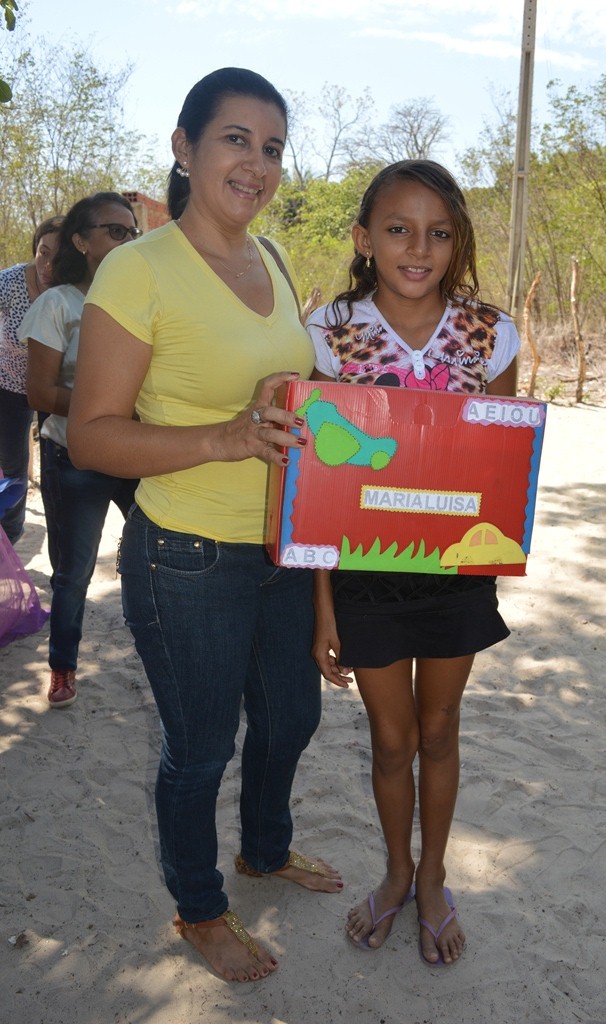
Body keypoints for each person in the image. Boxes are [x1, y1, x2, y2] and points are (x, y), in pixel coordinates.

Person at [67, 68, 343, 985]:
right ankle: (198, 907)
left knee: (291, 718)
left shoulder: (269, 259)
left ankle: (264, 849)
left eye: (271, 147)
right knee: (200, 747)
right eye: (234, 139)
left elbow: (286, 395)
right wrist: (225, 435)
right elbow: (94, 434)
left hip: (280, 546)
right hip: (185, 555)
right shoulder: (134, 269)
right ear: (184, 149)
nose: (255, 164)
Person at [306, 160, 520, 966]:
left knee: (440, 728)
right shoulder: (327, 330)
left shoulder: (491, 332)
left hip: (458, 569)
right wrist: (322, 604)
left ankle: (433, 876)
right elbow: (319, 483)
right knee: (390, 739)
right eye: (397, 228)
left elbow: (500, 462)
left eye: (437, 232)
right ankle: (395, 870)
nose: (417, 247)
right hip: (362, 575)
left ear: (457, 241)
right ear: (365, 238)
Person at [20, 193, 141, 708]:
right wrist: (106, 406)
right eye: (115, 231)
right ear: (80, 241)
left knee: (155, 557)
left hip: (139, 454)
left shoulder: (144, 304)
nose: (127, 242)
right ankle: (63, 666)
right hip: (75, 456)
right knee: (75, 570)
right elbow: (40, 394)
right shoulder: (58, 304)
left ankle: (162, 655)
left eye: (133, 233)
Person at [0, 216, 64, 543]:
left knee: (56, 474)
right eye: (43, 252)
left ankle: (61, 543)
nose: (48, 264)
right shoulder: (8, 284)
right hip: (9, 388)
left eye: (58, 255)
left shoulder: (74, 290)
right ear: (34, 249)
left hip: (54, 392)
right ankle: (10, 542)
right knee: (13, 472)